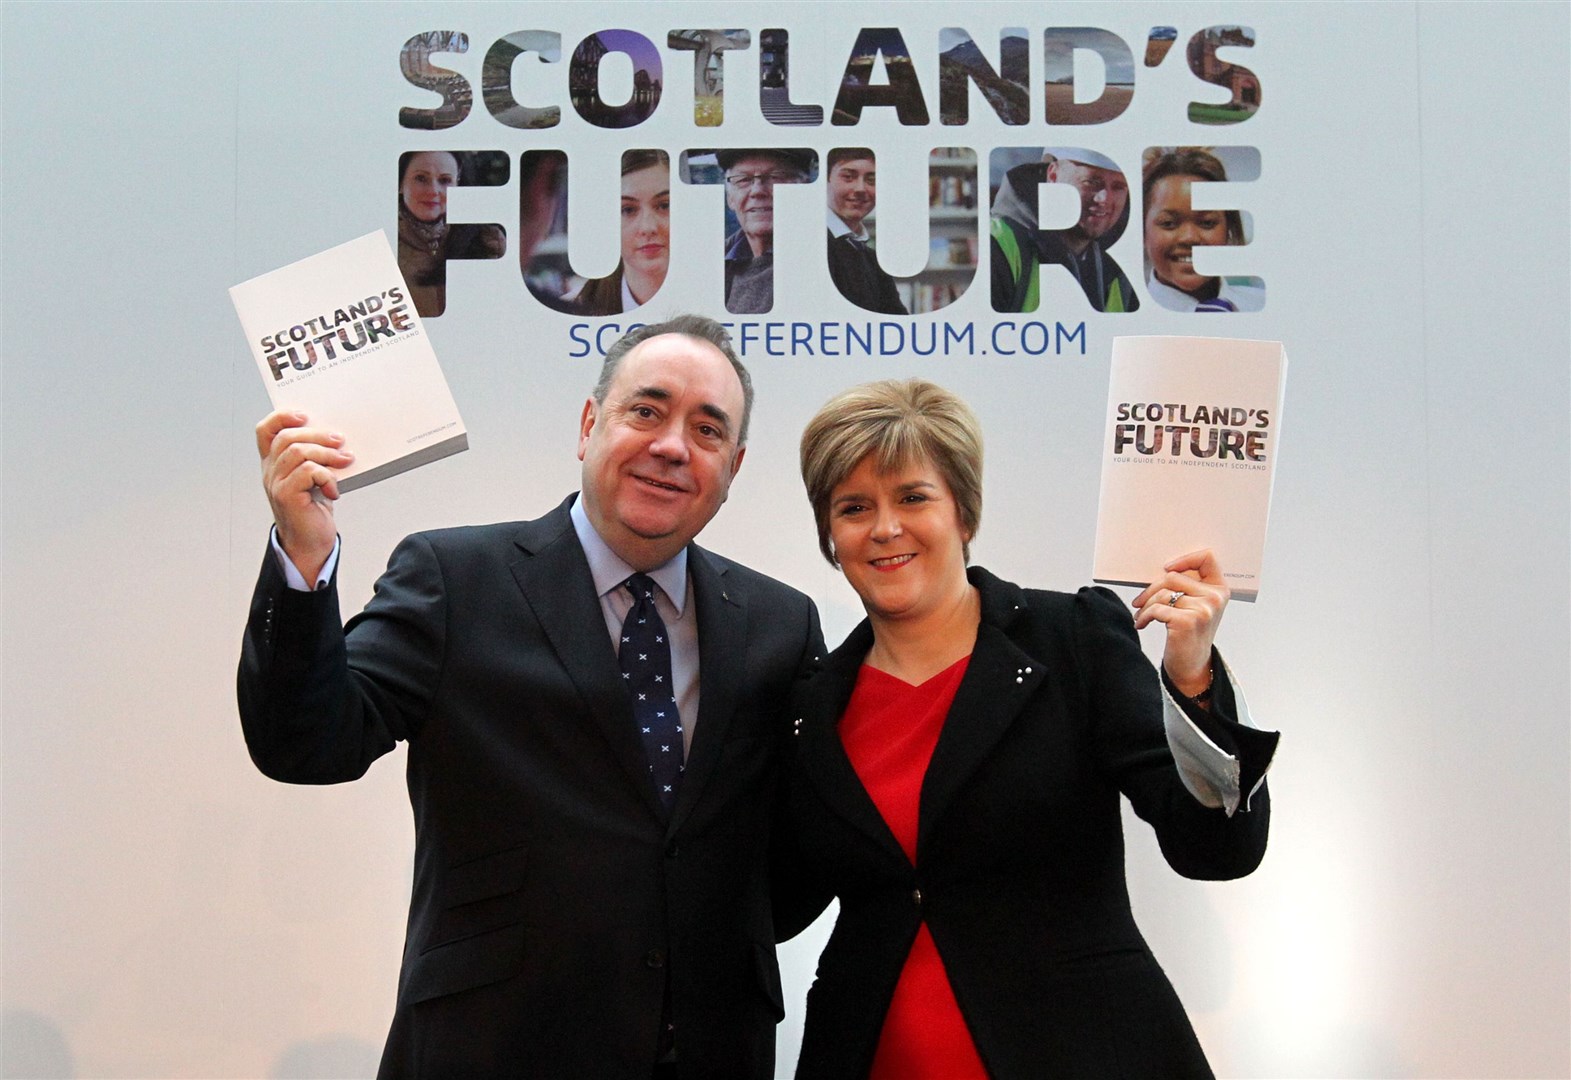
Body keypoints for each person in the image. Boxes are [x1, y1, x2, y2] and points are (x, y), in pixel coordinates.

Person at [239, 315, 824, 1079]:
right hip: (493, 1045)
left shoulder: (780, 624)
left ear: (733, 466)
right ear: (589, 424)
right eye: (645, 411)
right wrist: (304, 554)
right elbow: (307, 744)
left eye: (707, 430)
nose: (673, 445)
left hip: (708, 1050)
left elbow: (803, 847)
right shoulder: (456, 577)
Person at [777, 379, 1277, 1079]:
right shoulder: (811, 705)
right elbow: (773, 904)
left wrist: (1192, 680)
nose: (884, 528)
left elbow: (1216, 848)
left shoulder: (1069, 637)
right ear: (831, 535)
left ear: (963, 513)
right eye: (853, 507)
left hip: (1085, 1053)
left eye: (913, 497)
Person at [990, 149, 1140, 313]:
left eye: (1119, 187)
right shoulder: (997, 245)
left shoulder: (1122, 267)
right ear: (1053, 177)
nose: (1104, 199)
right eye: (1091, 182)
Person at [1142, 147, 1265, 312]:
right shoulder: (1124, 317)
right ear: (1143, 231)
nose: (1189, 237)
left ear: (1228, 227)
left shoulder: (1261, 303)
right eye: (1169, 223)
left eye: (1207, 223)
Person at [396, 150, 506, 317]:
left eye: (445, 180)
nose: (433, 190)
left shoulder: (490, 241)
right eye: (421, 178)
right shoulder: (378, 248)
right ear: (400, 185)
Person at [571, 150, 671, 316]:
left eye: (664, 206)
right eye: (628, 209)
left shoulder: (725, 303)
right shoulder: (571, 314)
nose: (648, 227)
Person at [719, 148, 812, 314]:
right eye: (743, 179)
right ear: (730, 199)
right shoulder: (709, 262)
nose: (757, 191)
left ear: (803, 188)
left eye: (775, 177)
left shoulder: (828, 261)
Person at [824, 148, 906, 314]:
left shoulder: (871, 258)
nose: (861, 188)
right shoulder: (806, 243)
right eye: (848, 177)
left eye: (872, 180)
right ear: (826, 180)